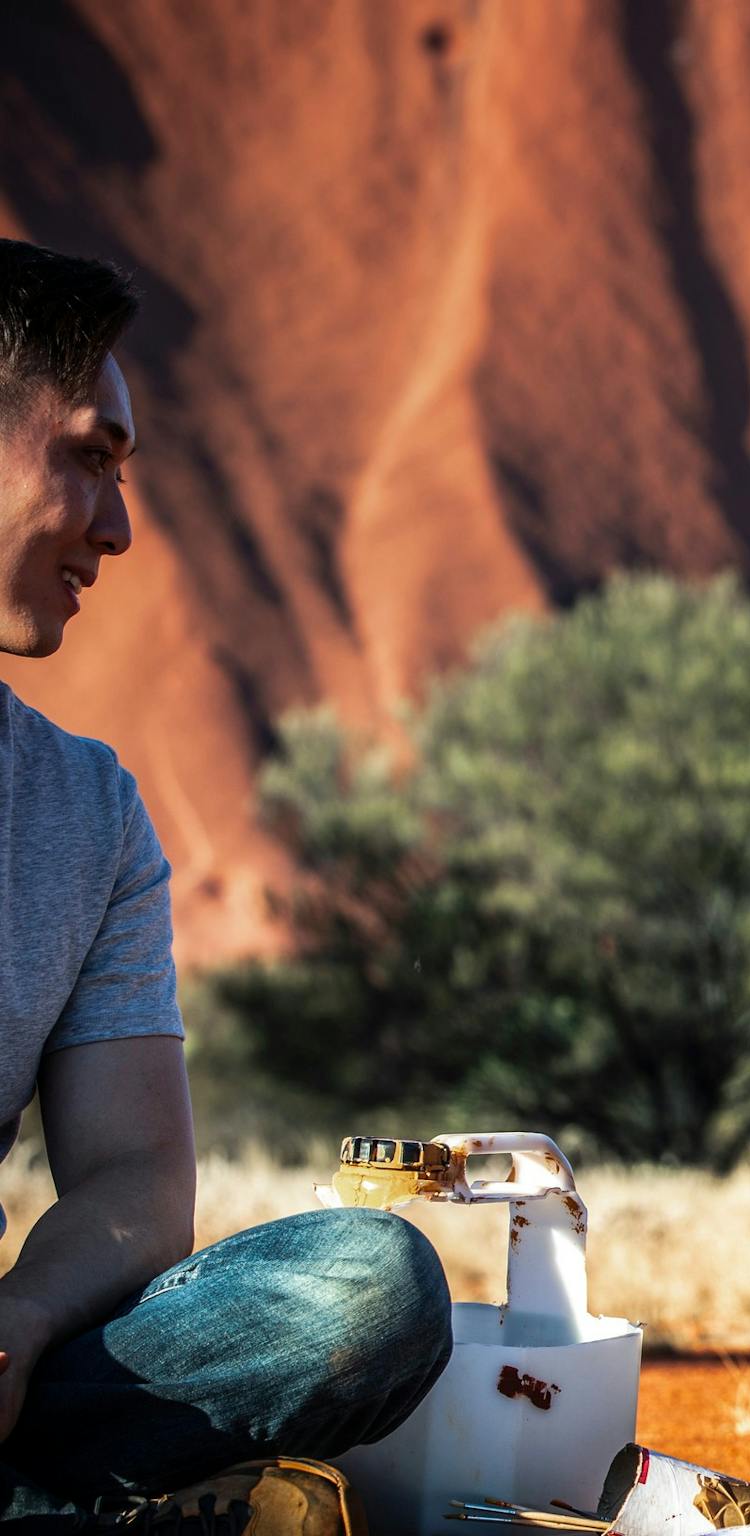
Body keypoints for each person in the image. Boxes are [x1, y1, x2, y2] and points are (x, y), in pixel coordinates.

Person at [0, 239, 452, 1528]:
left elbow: (138, 1179)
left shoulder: (86, 812)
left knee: (365, 1289)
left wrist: (20, 1322)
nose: (118, 528)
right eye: (89, 457)